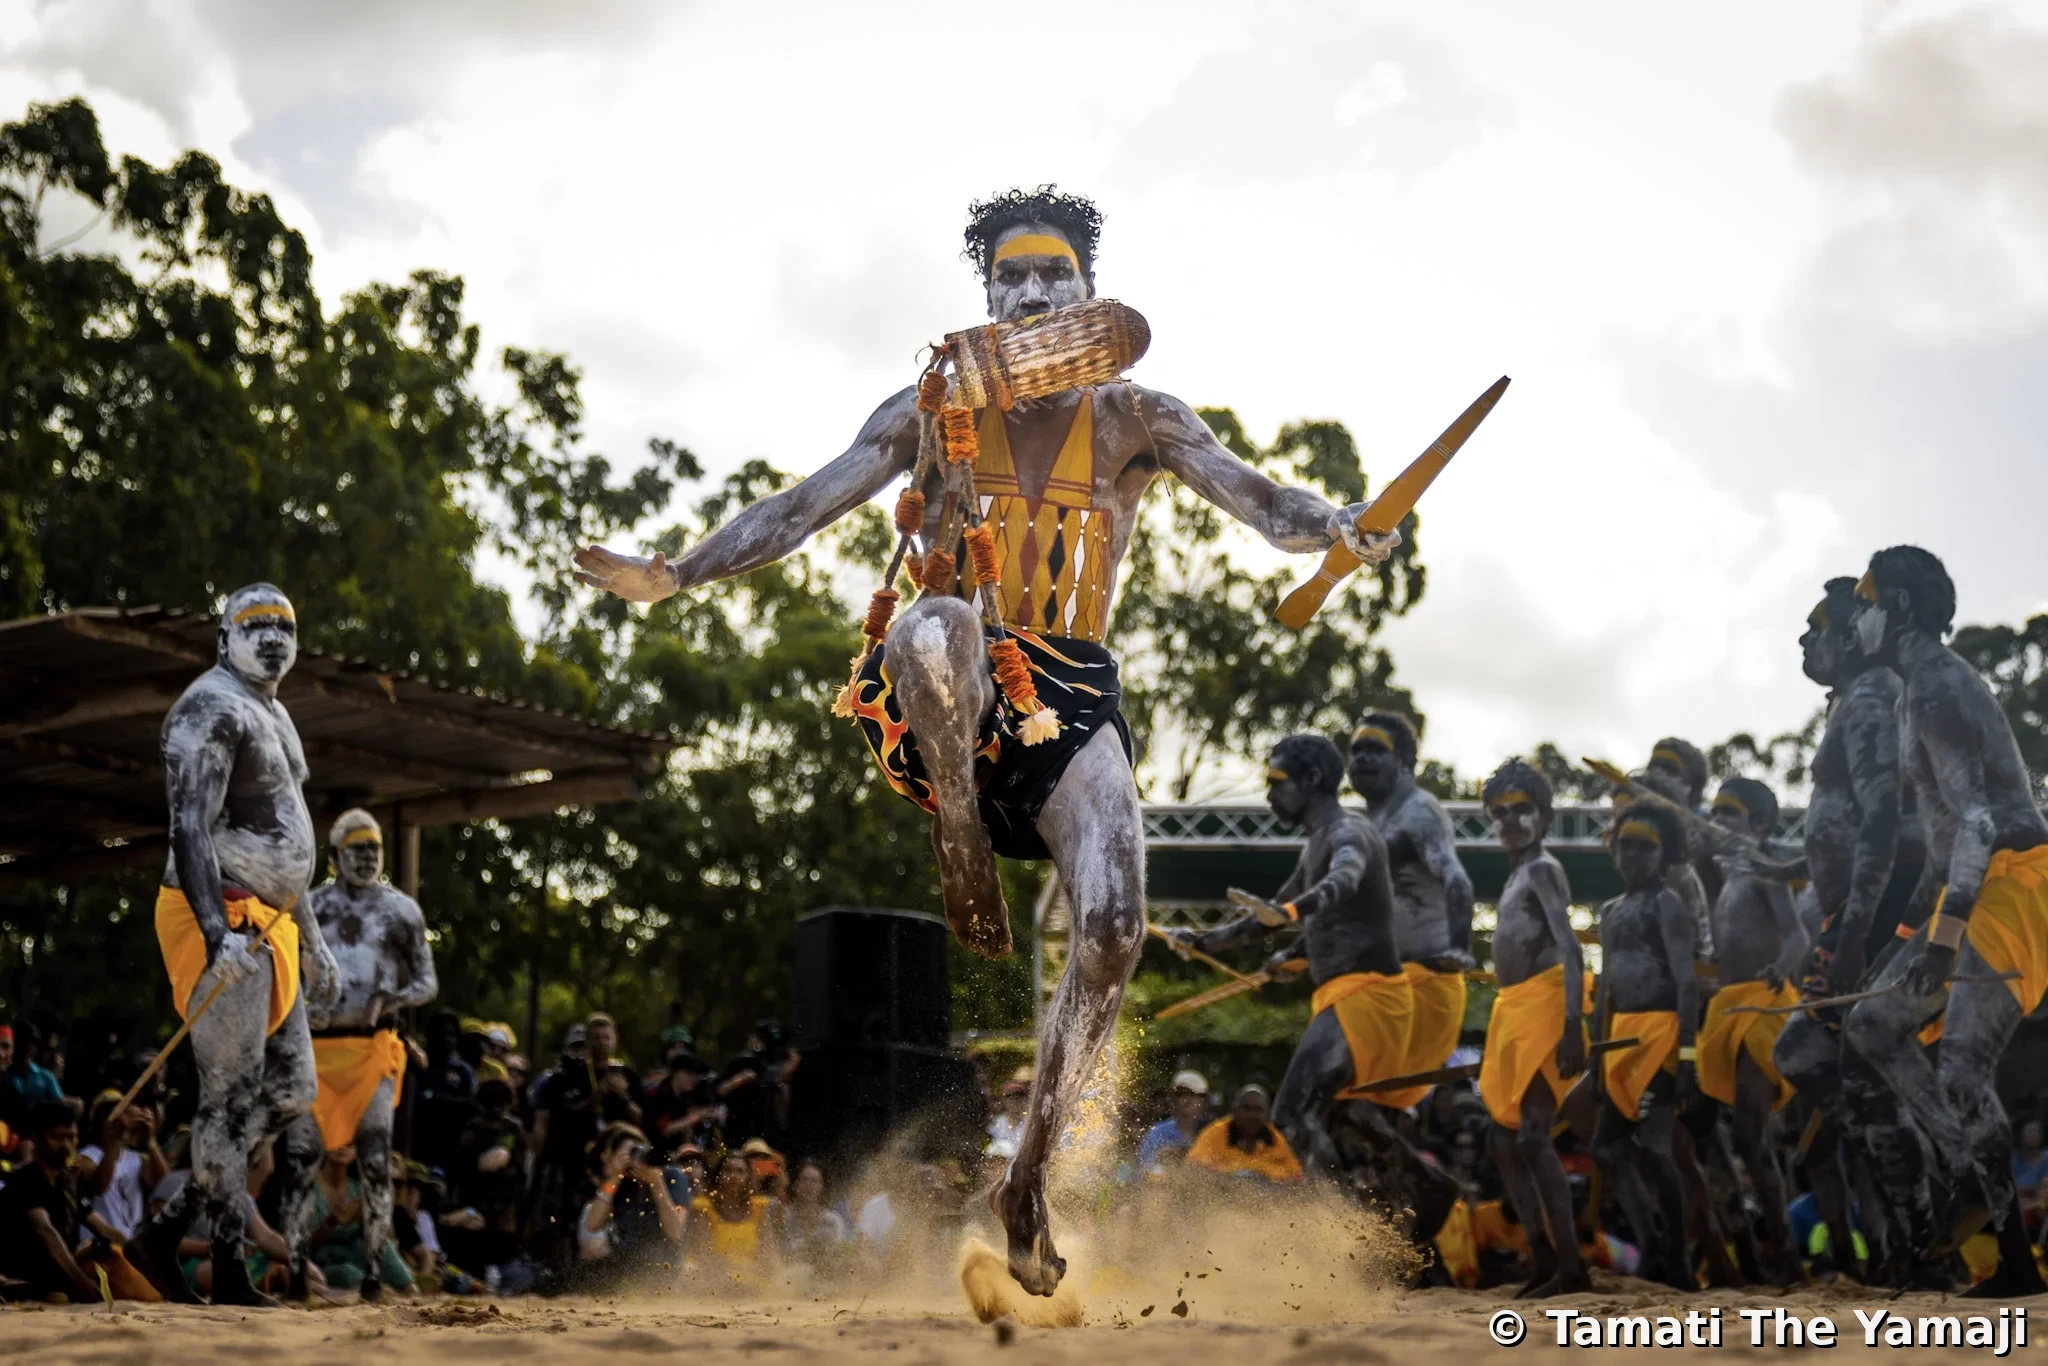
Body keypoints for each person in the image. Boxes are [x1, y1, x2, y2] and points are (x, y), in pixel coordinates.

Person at [572, 187, 1401, 1297]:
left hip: (1069, 699)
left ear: (1087, 295)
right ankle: (959, 818)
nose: (1029, 290)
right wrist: (674, 574)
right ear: (985, 297)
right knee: (940, 619)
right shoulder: (928, 409)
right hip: (945, 697)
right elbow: (807, 505)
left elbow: (1257, 500)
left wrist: (1339, 527)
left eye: (1052, 273)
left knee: (1112, 925)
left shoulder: (1136, 418)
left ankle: (1030, 1185)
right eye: (1009, 275)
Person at [1844, 546, 2048, 1296]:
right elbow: (1941, 844)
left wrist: (1945, 935)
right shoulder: (1910, 694)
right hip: (1966, 882)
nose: (1858, 616)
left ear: (1896, 605)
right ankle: (1964, 1166)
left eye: (1865, 600)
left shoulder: (1936, 689)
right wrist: (1899, 944)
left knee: (1963, 1065)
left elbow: (1979, 818)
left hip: (2014, 884)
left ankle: (2018, 1267)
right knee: (1869, 1024)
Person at [133, 584, 340, 1307]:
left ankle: (163, 1234)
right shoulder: (208, 709)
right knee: (228, 1100)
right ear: (223, 638)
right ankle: (224, 1269)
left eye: (284, 623)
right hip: (218, 914)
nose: (272, 635)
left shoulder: (275, 711)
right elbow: (188, 828)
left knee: (290, 1092)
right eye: (254, 625)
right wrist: (217, 934)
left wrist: (313, 939)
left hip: (275, 923)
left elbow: (293, 834)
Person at [1172, 734, 1454, 1246]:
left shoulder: (1351, 833)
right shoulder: (1317, 843)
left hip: (1369, 997)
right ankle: (1428, 1189)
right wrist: (1202, 941)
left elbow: (1340, 882)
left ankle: (1338, 1233)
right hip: (1348, 997)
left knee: (1291, 1113)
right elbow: (1266, 917)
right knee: (1346, 1115)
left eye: (1277, 783)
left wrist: (1293, 914)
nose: (1270, 795)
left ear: (1313, 782)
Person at [1772, 574, 1935, 1284]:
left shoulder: (1871, 694)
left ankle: (1923, 1243)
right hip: (1856, 916)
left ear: (1849, 635)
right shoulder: (1852, 701)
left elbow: (1881, 819)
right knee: (1813, 1060)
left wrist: (1860, 931)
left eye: (1816, 626)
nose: (1804, 638)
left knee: (1831, 1064)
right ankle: (1915, 1223)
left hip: (1885, 916)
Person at [303, 808, 439, 1302]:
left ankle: (375, 1272)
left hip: (375, 1048)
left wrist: (393, 996)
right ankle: (298, 1267)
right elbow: (287, 973)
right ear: (336, 855)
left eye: (374, 850)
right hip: (317, 1048)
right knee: (304, 1156)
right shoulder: (309, 906)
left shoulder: (402, 910)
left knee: (377, 1157)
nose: (366, 859)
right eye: (356, 850)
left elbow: (427, 982)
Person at [1475, 759, 1590, 1298]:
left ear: (1543, 816)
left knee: (1533, 1135)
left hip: (1546, 1006)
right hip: (1512, 1010)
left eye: (1521, 810)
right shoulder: (1517, 873)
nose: (1509, 821)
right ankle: (1542, 1257)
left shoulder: (1544, 869)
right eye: (1498, 813)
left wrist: (1572, 1024)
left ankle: (1571, 1267)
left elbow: (1570, 946)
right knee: (1502, 1139)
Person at [1687, 777, 1807, 1284]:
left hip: (1764, 1004)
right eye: (1714, 812)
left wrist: (1782, 965)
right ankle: (1770, 1256)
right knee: (1744, 1134)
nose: (1717, 822)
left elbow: (1798, 935)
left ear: (1758, 824)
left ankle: (1787, 1259)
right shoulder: (1724, 880)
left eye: (1729, 814)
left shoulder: (1764, 873)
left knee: (1750, 1131)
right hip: (1729, 1008)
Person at [1590, 801, 1700, 1291]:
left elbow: (1687, 983)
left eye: (1646, 846)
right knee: (1605, 1145)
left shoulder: (1667, 904)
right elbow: (1607, 984)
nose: (1634, 854)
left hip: (1660, 1035)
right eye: (1626, 844)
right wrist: (1597, 1050)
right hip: (1619, 1038)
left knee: (1656, 1150)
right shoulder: (1610, 910)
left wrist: (1688, 1056)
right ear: (1614, 850)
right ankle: (1652, 1244)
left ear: (1664, 854)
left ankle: (1677, 1260)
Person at [1347, 713, 1476, 1110]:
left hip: (1424, 985)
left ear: (1405, 762)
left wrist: (1460, 948)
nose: (1362, 759)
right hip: (1382, 986)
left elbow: (1457, 878)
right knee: (1348, 1101)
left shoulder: (1420, 811)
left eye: (1375, 750)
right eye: (1356, 751)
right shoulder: (1365, 822)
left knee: (1342, 1096)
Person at [0, 1101, 161, 1303]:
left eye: (72, 1137)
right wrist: (81, 1282)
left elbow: (102, 1227)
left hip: (60, 1272)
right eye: (58, 1138)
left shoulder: (67, 1182)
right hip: (27, 1272)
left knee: (113, 1255)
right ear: (37, 1139)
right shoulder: (28, 1179)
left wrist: (141, 1253)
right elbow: (46, 1232)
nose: (66, 1145)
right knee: (60, 1297)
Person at [575, 1124, 687, 1286]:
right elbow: (593, 1224)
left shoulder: (671, 1175)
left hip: (665, 1271)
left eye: (639, 1150)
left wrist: (656, 1182)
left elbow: (675, 1231)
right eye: (629, 1154)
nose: (636, 1158)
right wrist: (614, 1178)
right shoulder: (619, 1183)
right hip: (624, 1270)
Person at [308, 1141, 415, 1296]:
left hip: (354, 1256)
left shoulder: (358, 1189)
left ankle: (410, 1287)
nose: (342, 1147)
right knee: (348, 1273)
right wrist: (333, 1221)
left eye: (349, 1143)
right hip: (321, 1262)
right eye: (336, 1138)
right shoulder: (308, 1187)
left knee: (383, 1245)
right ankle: (375, 1290)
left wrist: (371, 1220)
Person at [79, 1090, 167, 1243]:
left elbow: (166, 1188)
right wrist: (116, 1138)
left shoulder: (138, 1159)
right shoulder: (86, 1157)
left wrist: (151, 1141)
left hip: (131, 1246)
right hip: (98, 1245)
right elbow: (99, 1186)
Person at [1184, 1085, 1305, 1186]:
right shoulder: (1216, 1133)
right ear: (1235, 1110)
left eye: (1258, 1110)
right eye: (1246, 1108)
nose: (1252, 1115)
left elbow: (1296, 1179)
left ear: (1267, 1114)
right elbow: (1194, 1167)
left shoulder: (1275, 1139)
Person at [690, 1151, 776, 1283]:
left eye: (740, 1171)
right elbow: (702, 1254)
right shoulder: (703, 1207)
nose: (733, 1176)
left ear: (748, 1177)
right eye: (728, 1170)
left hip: (752, 1277)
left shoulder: (759, 1208)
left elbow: (769, 1255)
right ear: (718, 1175)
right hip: (714, 1278)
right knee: (690, 1269)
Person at [774, 1158, 850, 1282]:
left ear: (822, 1186)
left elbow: (836, 1256)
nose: (809, 1186)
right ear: (795, 1185)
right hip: (789, 1280)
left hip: (825, 1281)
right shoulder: (783, 1218)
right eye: (804, 1180)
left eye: (815, 1181)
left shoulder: (833, 1221)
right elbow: (779, 1255)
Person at [1133, 1070, 1209, 1176]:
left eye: (1194, 1094)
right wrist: (1162, 1158)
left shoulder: (1213, 1132)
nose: (1187, 1100)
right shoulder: (1157, 1134)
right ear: (1173, 1099)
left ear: (1203, 1100)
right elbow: (1141, 1173)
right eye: (1181, 1094)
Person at [0, 1020, 64, 1132]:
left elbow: (60, 1109)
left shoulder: (45, 1077)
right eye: (23, 1043)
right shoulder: (7, 1078)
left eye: (6, 1047)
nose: (27, 1048)